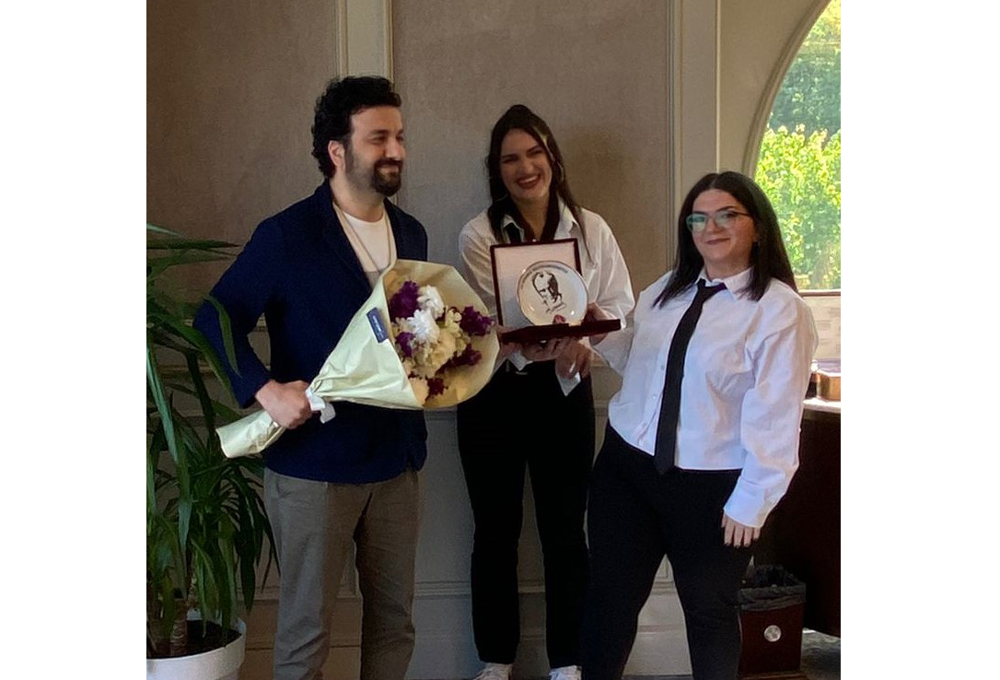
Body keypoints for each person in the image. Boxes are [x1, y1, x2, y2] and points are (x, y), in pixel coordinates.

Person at [193, 76, 428, 680]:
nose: (396, 150)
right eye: (378, 138)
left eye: (400, 136)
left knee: (395, 623)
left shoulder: (413, 233)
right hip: (313, 467)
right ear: (337, 150)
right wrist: (265, 391)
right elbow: (214, 318)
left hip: (397, 461)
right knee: (306, 636)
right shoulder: (287, 235)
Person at [579, 171, 818, 680]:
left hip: (711, 489)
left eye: (727, 215)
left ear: (758, 226)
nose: (711, 227)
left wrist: (753, 499)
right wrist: (599, 332)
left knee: (710, 615)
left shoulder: (780, 312)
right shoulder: (665, 291)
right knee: (608, 601)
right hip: (626, 470)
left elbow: (778, 414)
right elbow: (643, 365)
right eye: (698, 218)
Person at [457, 104, 635, 680]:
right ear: (497, 170)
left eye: (534, 153)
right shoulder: (478, 234)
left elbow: (620, 307)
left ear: (553, 158)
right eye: (510, 158)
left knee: (565, 532)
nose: (525, 167)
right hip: (493, 397)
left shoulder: (592, 229)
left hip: (565, 391)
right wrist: (532, 342)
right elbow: (488, 322)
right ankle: (495, 661)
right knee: (495, 532)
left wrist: (586, 341)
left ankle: (568, 662)